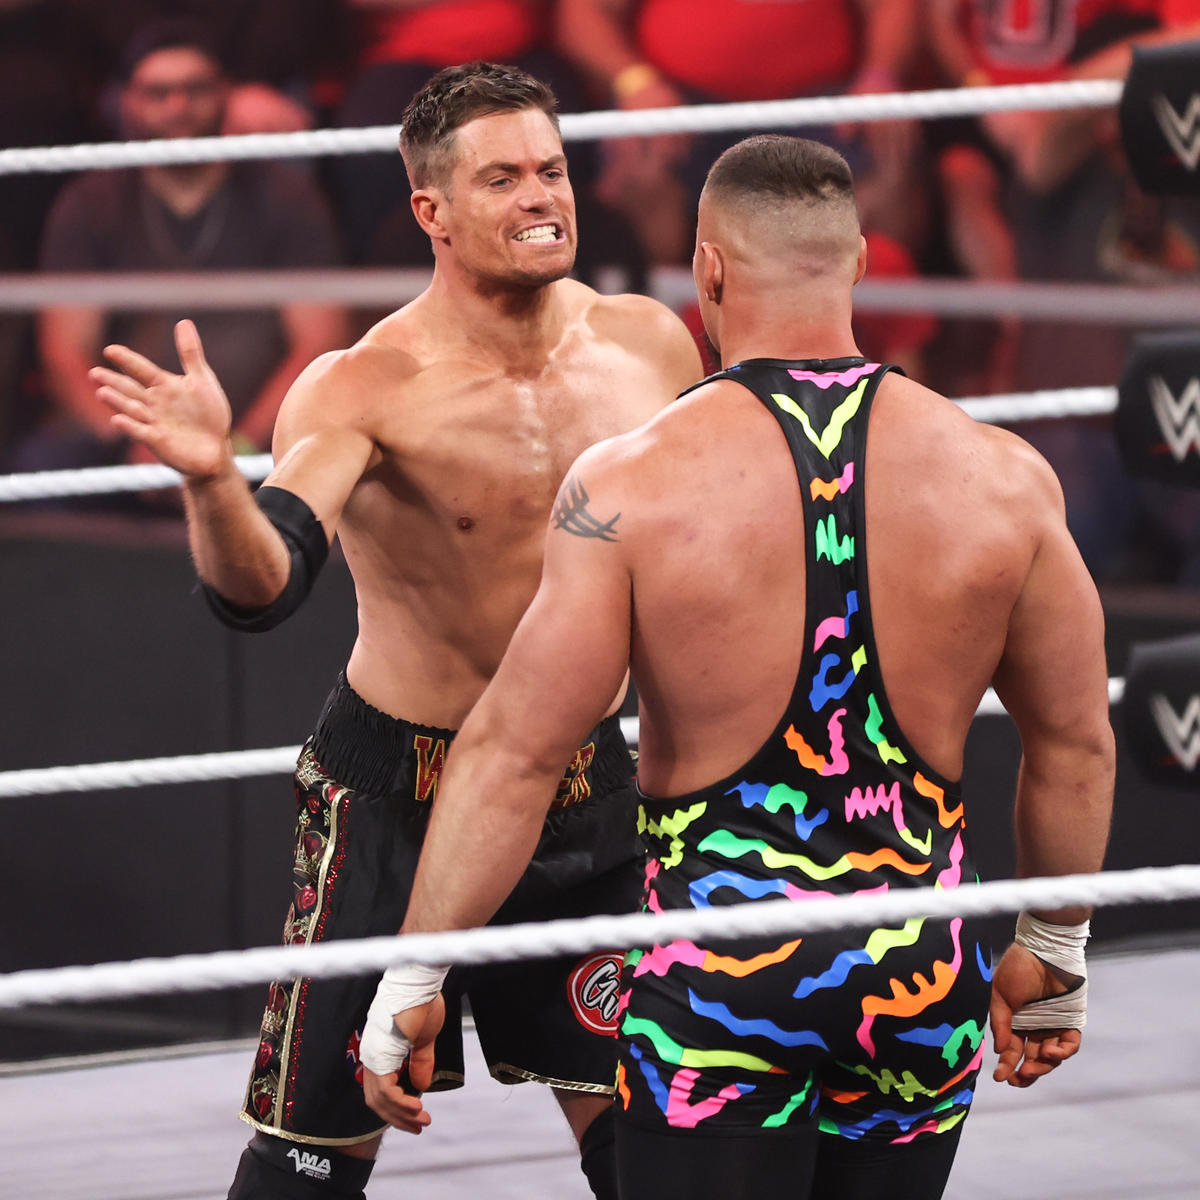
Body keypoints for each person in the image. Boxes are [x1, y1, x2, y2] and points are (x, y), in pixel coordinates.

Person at [359, 135, 1116, 1198]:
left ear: (706, 270)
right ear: (859, 262)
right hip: (917, 971)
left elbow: (516, 753)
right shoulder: (1006, 478)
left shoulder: (631, 485)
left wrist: (417, 969)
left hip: (721, 976)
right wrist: (1054, 947)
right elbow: (1076, 742)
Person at [91, 60, 701, 1200]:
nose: (542, 196)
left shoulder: (651, 347)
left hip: (581, 782)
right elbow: (264, 586)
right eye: (503, 178)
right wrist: (213, 482)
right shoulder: (364, 385)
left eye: (553, 170)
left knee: (654, 1138)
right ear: (432, 210)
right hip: (398, 798)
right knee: (309, 1164)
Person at [26, 18, 346, 482]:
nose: (178, 106)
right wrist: (136, 447)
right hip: (126, 444)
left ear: (225, 92)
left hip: (259, 442)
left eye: (195, 89)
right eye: (158, 93)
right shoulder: (88, 202)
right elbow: (64, 353)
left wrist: (236, 449)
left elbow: (319, 344)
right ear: (126, 101)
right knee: (41, 469)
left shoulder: (287, 196)